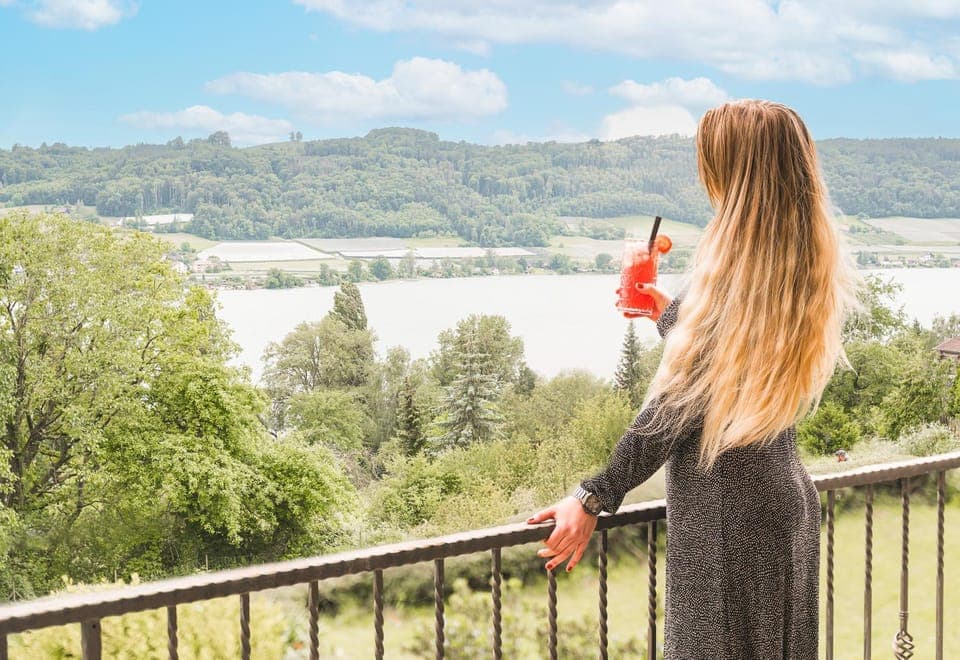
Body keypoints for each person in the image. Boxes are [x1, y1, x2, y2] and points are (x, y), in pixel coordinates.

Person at [526, 99, 864, 660]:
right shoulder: (792, 262)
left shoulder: (733, 275)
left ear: (735, 173)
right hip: (783, 504)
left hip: (727, 515)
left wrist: (593, 496)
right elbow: (729, 374)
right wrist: (674, 316)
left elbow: (678, 407)